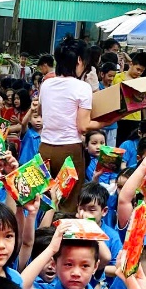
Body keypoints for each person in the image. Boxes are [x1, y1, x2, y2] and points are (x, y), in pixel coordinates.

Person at [31, 42, 99, 211]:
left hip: (45, 148)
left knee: (45, 202)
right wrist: (108, 121)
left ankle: (44, 235)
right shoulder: (83, 88)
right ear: (79, 60)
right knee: (69, 203)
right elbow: (83, 126)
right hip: (69, 150)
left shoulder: (46, 84)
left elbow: (41, 110)